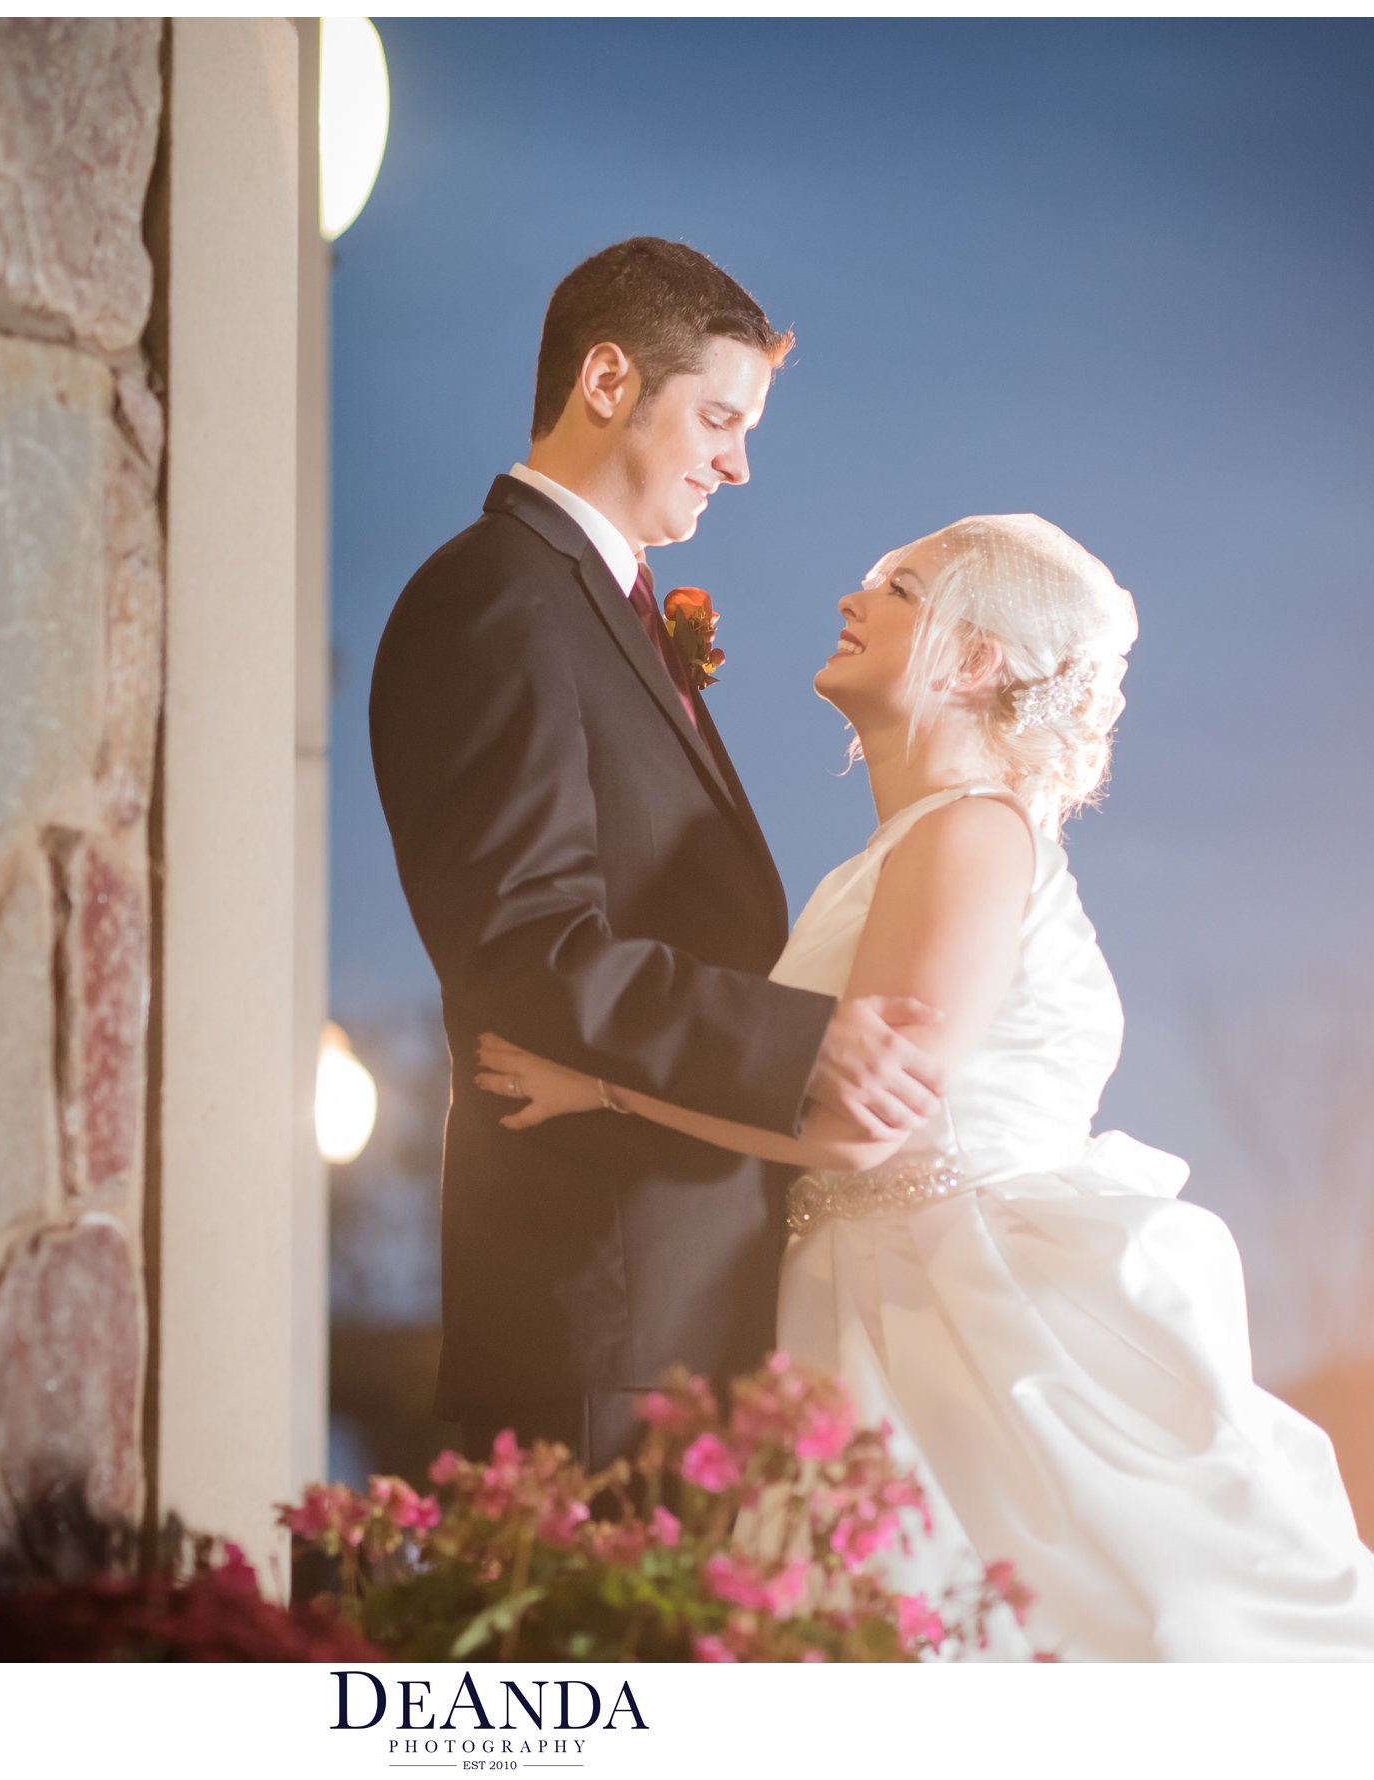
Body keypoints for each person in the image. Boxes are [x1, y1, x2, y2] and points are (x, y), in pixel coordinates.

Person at [476, 515, 1374, 1661]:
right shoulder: (889, 858)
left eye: (896, 585)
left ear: (977, 659)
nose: (854, 595)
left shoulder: (973, 836)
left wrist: (607, 1094)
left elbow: (852, 1126)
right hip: (861, 1308)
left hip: (964, 1323)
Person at [368, 239, 951, 1476]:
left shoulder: (602, 607)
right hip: (601, 1315)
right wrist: (806, 1044)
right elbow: (530, 949)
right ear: (607, 378)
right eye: (719, 418)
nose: (740, 464)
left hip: (688, 1302)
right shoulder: (495, 603)